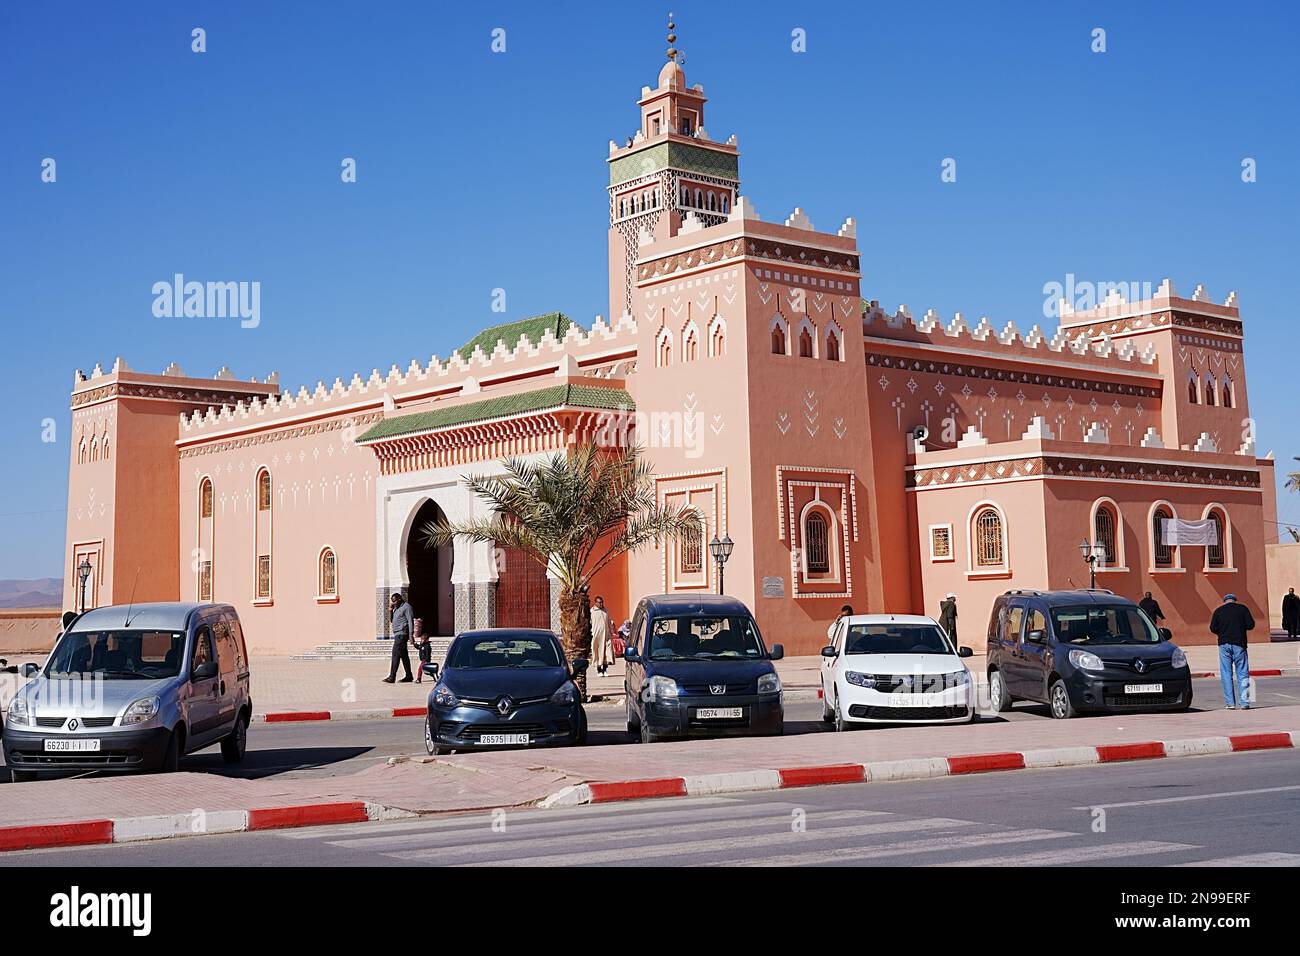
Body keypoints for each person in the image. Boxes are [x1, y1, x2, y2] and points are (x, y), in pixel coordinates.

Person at [1209, 593, 1255, 710]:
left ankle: (1230, 703)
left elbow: (1213, 628)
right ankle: (1244, 703)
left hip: (1224, 645)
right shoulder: (1243, 609)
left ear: (1225, 601)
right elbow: (1251, 625)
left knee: (1226, 673)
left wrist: (1222, 631)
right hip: (1239, 644)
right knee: (1243, 672)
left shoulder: (1219, 611)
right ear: (1235, 600)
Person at [383, 592, 414, 683]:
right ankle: (409, 676)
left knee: (395, 654)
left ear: (400, 598)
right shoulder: (396, 608)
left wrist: (411, 636)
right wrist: (390, 610)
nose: (394, 603)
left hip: (402, 634)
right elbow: (392, 621)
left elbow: (410, 622)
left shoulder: (407, 607)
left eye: (395, 601)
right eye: (392, 601)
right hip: (397, 634)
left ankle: (392, 677)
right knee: (404, 656)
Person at [590, 595, 614, 676]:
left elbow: (609, 622)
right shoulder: (592, 612)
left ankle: (605, 669)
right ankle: (599, 670)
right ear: (595, 603)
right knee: (598, 653)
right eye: (599, 602)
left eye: (602, 602)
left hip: (606, 636)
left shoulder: (605, 611)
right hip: (596, 636)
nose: (601, 604)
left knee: (607, 652)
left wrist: (611, 632)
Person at [413, 617, 431, 683]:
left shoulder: (427, 646)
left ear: (427, 640)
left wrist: (426, 660)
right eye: (421, 639)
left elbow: (427, 653)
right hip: (423, 660)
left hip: (425, 660)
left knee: (420, 669)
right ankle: (436, 677)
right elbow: (419, 647)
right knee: (428, 671)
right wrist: (414, 644)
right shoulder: (422, 645)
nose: (422, 641)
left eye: (423, 639)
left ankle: (418, 679)